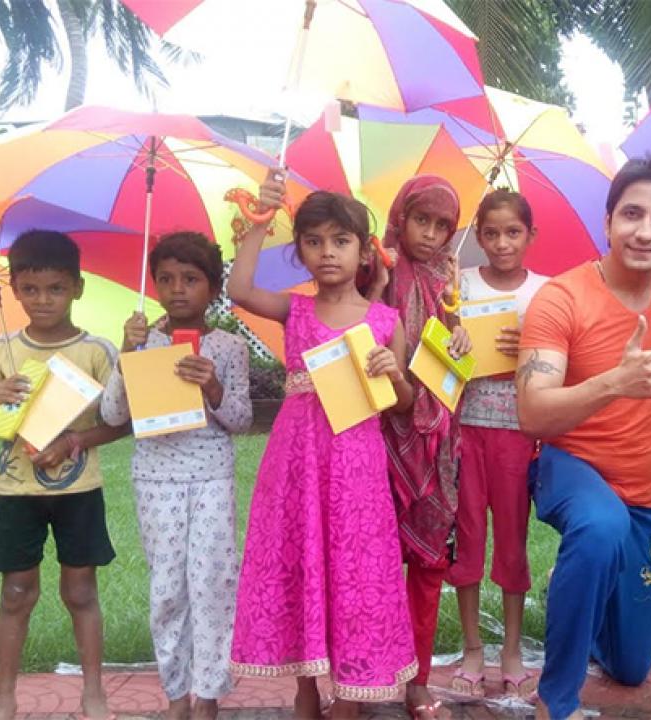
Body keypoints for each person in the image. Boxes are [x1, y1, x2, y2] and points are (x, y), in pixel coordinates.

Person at [226, 182, 417, 720]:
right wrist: (260, 220)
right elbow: (240, 289)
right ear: (300, 250)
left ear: (364, 249)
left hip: (357, 471)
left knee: (353, 574)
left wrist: (394, 374)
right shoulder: (295, 310)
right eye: (313, 241)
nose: (327, 252)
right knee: (303, 563)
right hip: (297, 465)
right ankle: (307, 689)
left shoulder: (385, 321)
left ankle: (352, 695)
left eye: (340, 241)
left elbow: (400, 406)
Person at [517, 154, 651, 720]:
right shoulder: (562, 298)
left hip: (645, 494)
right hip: (570, 466)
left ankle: (573, 584)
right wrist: (615, 382)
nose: (645, 231)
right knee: (599, 528)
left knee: (631, 666)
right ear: (609, 219)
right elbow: (534, 413)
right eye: (632, 214)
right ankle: (556, 701)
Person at [0, 230, 126, 720]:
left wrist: (74, 441)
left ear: (77, 288)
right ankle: (5, 700)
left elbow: (120, 422)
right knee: (16, 593)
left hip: (79, 489)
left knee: (81, 591)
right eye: (31, 289)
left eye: (55, 288)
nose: (43, 299)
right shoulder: (1, 350)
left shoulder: (97, 351)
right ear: (14, 289)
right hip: (17, 489)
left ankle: (93, 694)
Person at [100, 232, 251, 720]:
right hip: (156, 478)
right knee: (167, 588)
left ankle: (207, 696)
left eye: (190, 279)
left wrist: (213, 385)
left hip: (210, 476)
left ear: (213, 288)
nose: (177, 289)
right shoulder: (143, 341)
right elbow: (111, 414)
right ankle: (175, 696)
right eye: (165, 279)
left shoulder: (228, 346)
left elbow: (242, 420)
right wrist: (127, 355)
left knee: (212, 583)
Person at [372, 175, 471, 720]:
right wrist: (379, 279)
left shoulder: (448, 278)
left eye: (442, 225)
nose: (430, 235)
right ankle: (363, 671)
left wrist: (460, 334)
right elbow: (357, 319)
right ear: (401, 216)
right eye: (421, 220)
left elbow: (456, 361)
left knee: (429, 564)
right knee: (371, 559)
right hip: (378, 434)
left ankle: (418, 677)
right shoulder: (377, 266)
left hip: (435, 443)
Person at [447, 190, 547, 699]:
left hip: (517, 431)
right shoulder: (457, 285)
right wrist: (452, 337)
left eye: (513, 232)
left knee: (511, 538)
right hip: (465, 429)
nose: (502, 243)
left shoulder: (546, 293)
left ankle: (510, 648)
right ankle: (470, 646)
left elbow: (562, 353)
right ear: (478, 237)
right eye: (490, 233)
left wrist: (532, 342)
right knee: (466, 535)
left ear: (531, 235)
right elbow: (436, 352)